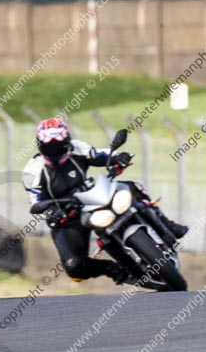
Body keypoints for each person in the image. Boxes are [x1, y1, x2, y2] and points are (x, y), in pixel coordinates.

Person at [21, 119, 188, 284]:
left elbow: (102, 155)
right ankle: (115, 270)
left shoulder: (78, 148)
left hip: (92, 198)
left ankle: (168, 226)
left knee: (130, 187)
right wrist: (50, 212)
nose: (55, 150)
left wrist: (119, 157)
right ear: (40, 146)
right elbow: (35, 202)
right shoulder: (32, 170)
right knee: (75, 268)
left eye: (59, 145)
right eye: (49, 147)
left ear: (67, 141)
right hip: (66, 215)